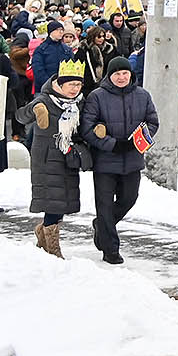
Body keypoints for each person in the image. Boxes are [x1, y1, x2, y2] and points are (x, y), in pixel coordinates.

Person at [78, 61, 158, 265]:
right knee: (104, 205)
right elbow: (87, 127)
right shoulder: (97, 96)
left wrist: (137, 141)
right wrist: (112, 144)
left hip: (132, 159)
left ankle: (102, 226)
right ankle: (110, 249)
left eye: (125, 73)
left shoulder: (143, 95)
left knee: (129, 198)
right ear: (109, 76)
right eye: (117, 74)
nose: (121, 77)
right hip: (105, 160)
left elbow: (152, 122)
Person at [20, 58, 89, 258]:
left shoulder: (79, 103)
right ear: (59, 83)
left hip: (68, 156)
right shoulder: (45, 99)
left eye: (78, 84)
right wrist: (35, 110)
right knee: (53, 202)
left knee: (64, 200)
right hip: (47, 157)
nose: (75, 89)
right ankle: (53, 248)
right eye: (71, 84)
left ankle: (42, 232)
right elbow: (21, 116)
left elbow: (84, 128)